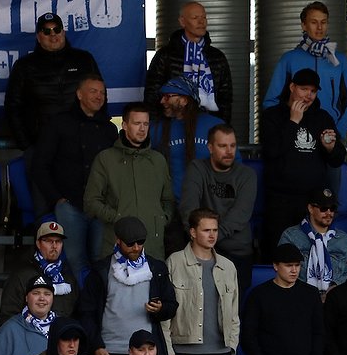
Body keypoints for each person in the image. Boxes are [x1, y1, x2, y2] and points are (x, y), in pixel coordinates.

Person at [33, 75, 118, 274]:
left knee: (101, 259)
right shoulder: (59, 123)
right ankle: (78, 304)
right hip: (70, 205)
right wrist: (57, 198)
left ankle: (96, 304)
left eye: (102, 93)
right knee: (73, 260)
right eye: (93, 91)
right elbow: (40, 165)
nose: (99, 96)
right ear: (79, 94)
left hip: (100, 207)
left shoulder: (110, 129)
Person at [76, 216, 179, 355]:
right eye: (130, 243)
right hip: (110, 352)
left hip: (146, 354)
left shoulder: (157, 268)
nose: (136, 248)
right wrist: (96, 345)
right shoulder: (101, 270)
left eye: (140, 242)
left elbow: (172, 306)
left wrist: (160, 309)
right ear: (118, 241)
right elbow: (86, 312)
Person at [260, 67, 346, 258]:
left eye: (313, 91)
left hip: (312, 202)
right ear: (292, 87)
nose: (308, 96)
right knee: (279, 255)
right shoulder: (273, 116)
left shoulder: (323, 118)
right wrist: (293, 122)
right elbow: (271, 152)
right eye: (304, 89)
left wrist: (330, 148)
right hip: (280, 199)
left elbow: (338, 159)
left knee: (312, 257)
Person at [83, 102, 175, 261]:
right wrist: (118, 218)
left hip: (153, 246)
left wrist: (161, 219)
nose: (142, 128)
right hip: (117, 245)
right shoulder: (106, 159)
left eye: (145, 123)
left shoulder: (158, 160)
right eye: (137, 123)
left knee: (153, 286)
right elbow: (91, 202)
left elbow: (168, 200)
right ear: (124, 125)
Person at [163, 209, 241, 355]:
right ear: (192, 232)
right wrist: (169, 351)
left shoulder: (228, 266)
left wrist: (231, 345)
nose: (212, 234)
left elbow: (234, 311)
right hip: (184, 352)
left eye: (214, 230)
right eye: (206, 230)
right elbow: (165, 313)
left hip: (219, 352)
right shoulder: (175, 262)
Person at [5, 12, 101, 161]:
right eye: (46, 31)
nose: (53, 35)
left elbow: (100, 97)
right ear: (38, 37)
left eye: (57, 30)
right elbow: (13, 108)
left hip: (81, 145)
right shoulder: (24, 66)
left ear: (63, 32)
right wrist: (27, 146)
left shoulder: (84, 60)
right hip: (42, 147)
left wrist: (94, 135)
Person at [262, 0, 347, 138]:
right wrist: (286, 128)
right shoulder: (289, 59)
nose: (319, 27)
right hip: (295, 133)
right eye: (314, 22)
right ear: (304, 25)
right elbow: (271, 101)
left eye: (323, 22)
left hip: (329, 133)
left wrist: (338, 131)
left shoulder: (339, 60)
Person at [180, 124, 257, 292]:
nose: (229, 151)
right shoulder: (197, 169)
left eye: (233, 145)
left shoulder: (246, 175)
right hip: (200, 249)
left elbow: (240, 215)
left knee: (231, 310)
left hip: (236, 251)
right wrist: (201, 241)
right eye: (223, 146)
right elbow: (189, 209)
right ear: (210, 147)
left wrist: (208, 238)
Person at [145, 2, 233, 121]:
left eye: (204, 17)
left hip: (209, 125)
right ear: (182, 22)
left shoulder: (217, 57)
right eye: (195, 18)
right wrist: (158, 128)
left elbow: (225, 99)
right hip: (172, 125)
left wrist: (221, 127)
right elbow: (152, 94)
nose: (201, 22)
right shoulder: (165, 55)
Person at [147, 75, 227, 203]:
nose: (162, 101)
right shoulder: (156, 129)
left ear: (184, 100)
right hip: (171, 208)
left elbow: (233, 166)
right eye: (162, 97)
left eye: (168, 97)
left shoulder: (215, 126)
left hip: (210, 207)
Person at [0, 221, 80, 326]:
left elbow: (77, 315)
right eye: (49, 241)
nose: (54, 246)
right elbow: (7, 317)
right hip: (28, 338)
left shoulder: (68, 277)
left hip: (60, 340)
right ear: (38, 243)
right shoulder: (21, 275)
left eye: (58, 241)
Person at [278, 188, 347, 295]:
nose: (329, 213)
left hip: (335, 298)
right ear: (311, 208)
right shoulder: (291, 236)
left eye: (332, 208)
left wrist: (335, 287)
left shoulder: (343, 239)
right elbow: (283, 270)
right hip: (299, 296)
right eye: (324, 208)